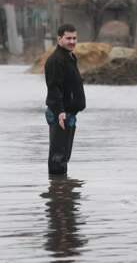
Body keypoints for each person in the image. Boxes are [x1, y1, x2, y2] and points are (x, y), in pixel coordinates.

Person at [44, 24, 86, 174]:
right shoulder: (56, 60)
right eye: (68, 38)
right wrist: (60, 112)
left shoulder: (69, 57)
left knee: (64, 156)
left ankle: (62, 191)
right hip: (60, 114)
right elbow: (54, 88)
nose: (72, 41)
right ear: (59, 38)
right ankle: (58, 194)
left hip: (69, 113)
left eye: (74, 38)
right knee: (58, 158)